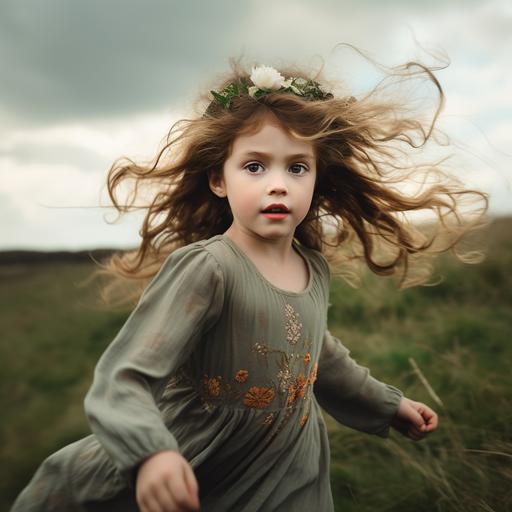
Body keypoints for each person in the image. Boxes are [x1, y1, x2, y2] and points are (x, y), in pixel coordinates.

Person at [11, 56, 487, 512]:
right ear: (219, 179)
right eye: (255, 166)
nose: (277, 184)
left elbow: (317, 356)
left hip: (290, 470)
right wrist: (150, 453)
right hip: (202, 465)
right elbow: (125, 376)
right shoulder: (209, 267)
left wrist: (389, 403)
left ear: (316, 181)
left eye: (296, 167)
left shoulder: (313, 269)